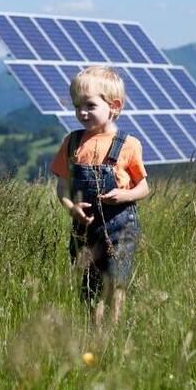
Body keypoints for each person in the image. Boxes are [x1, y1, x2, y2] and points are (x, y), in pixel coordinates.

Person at [50, 66, 150, 327]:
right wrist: (71, 207)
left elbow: (144, 187)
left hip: (120, 225)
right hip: (84, 228)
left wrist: (125, 195)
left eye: (90, 106)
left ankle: (113, 330)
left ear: (114, 106)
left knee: (116, 279)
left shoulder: (128, 144)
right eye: (77, 106)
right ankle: (94, 330)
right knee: (89, 282)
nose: (82, 113)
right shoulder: (72, 143)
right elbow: (62, 185)